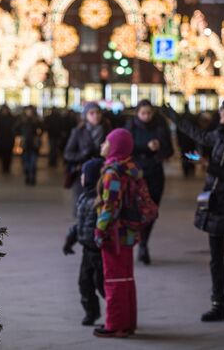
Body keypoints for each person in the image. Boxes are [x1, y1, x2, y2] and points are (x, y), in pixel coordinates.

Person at [163, 94, 224, 325]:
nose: (219, 113)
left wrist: (207, 165)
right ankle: (217, 304)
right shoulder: (222, 134)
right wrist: (175, 118)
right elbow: (201, 136)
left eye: (223, 109)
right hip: (214, 202)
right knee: (215, 257)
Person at [93, 129, 142, 338]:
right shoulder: (130, 169)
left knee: (113, 279)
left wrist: (99, 229)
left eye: (107, 141)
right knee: (126, 278)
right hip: (128, 231)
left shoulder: (113, 172)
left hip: (115, 233)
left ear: (115, 147)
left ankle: (115, 324)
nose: (103, 145)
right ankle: (127, 322)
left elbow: (110, 205)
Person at [125, 100, 173, 265]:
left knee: (151, 211)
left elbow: (169, 150)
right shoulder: (130, 127)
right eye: (143, 113)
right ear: (137, 113)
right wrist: (146, 146)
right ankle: (132, 243)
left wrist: (159, 147)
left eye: (149, 113)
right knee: (134, 211)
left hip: (154, 173)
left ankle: (144, 244)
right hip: (135, 174)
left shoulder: (159, 126)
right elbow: (126, 148)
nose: (146, 116)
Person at [63, 158, 106, 326]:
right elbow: (80, 224)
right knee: (84, 283)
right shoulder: (83, 198)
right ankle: (91, 312)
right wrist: (70, 239)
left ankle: (113, 313)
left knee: (102, 285)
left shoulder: (99, 201)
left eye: (83, 175)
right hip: (87, 252)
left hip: (99, 252)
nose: (81, 177)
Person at [64, 102, 110, 214]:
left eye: (98, 113)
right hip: (82, 173)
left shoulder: (108, 130)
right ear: (85, 115)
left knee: (100, 205)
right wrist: (82, 154)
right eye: (92, 113)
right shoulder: (78, 131)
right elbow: (68, 153)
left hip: (102, 172)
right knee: (82, 206)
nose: (95, 116)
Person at [15, 106, 43, 185]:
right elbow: (15, 129)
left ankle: (33, 178)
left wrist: (38, 135)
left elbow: (43, 128)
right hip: (25, 144)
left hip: (34, 144)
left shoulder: (36, 120)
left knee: (33, 163)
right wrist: (20, 136)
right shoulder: (22, 120)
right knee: (26, 162)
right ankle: (27, 176)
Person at [176, 105, 197, 178]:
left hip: (183, 141)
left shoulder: (181, 118)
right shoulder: (193, 117)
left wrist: (178, 141)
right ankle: (192, 169)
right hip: (191, 140)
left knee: (184, 155)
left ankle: (186, 171)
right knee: (192, 155)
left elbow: (177, 131)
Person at [0, 105, 16, 174]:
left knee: (9, 153)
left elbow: (14, 128)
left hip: (10, 138)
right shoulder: (0, 118)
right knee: (3, 153)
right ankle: (4, 167)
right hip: (2, 138)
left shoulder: (12, 118)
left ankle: (8, 167)